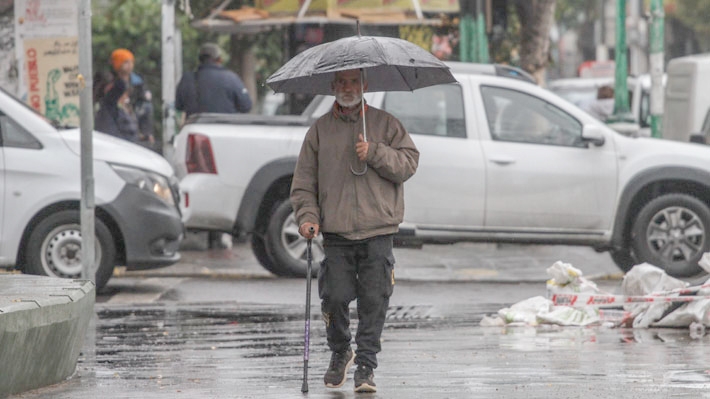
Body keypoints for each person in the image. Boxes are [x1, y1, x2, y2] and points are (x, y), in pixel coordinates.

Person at [290, 69, 419, 393]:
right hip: (336, 233)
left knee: (374, 301)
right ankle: (340, 351)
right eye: (342, 82)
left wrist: (374, 152)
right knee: (333, 298)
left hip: (378, 229)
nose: (348, 88)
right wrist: (307, 217)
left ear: (365, 86)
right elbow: (303, 184)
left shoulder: (386, 124)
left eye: (354, 82)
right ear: (333, 86)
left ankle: (366, 366)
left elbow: (408, 164)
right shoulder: (319, 130)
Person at [176, 42, 253, 249]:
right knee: (226, 182)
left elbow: (178, 104)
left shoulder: (188, 78)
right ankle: (225, 231)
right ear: (218, 59)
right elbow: (246, 106)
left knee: (198, 182)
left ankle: (204, 230)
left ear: (200, 60)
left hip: (194, 140)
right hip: (226, 139)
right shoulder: (230, 78)